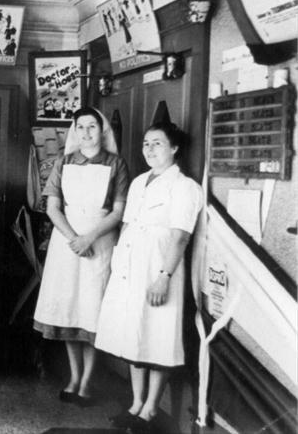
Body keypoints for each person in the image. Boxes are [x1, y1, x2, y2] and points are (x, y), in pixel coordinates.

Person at [95, 122, 202, 433]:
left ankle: (151, 408)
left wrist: (163, 277)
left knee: (157, 338)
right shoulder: (140, 181)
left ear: (174, 148)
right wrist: (117, 264)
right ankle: (135, 403)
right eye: (145, 144)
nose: (150, 150)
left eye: (157, 143)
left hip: (158, 269)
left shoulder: (185, 187)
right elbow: (127, 225)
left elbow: (180, 237)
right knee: (133, 336)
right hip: (129, 268)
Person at [33, 107, 129, 407]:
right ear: (75, 130)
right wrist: (75, 238)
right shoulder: (64, 162)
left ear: (102, 131)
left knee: (91, 311)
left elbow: (118, 210)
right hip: (67, 244)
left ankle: (87, 381)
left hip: (99, 243)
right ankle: (74, 377)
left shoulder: (116, 164)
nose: (87, 133)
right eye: (81, 127)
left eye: (92, 127)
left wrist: (90, 237)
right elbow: (52, 208)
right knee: (69, 311)